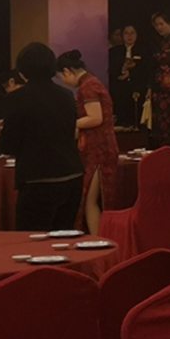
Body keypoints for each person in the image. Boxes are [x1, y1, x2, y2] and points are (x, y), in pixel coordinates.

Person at [0, 43, 87, 231]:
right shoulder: (66, 95)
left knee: (32, 238)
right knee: (64, 236)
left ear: (22, 70)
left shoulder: (17, 98)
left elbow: (9, 145)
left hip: (38, 178)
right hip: (72, 175)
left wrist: (0, 133)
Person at [57, 50, 121, 231]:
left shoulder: (88, 87)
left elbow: (95, 118)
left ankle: (97, 239)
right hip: (101, 146)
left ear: (67, 71)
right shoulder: (92, 82)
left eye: (62, 77)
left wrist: (69, 124)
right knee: (93, 200)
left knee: (90, 200)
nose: (64, 82)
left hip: (98, 149)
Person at [108, 25, 144, 127]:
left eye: (132, 33)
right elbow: (111, 70)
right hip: (120, 89)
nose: (129, 36)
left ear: (137, 35)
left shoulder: (143, 50)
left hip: (137, 88)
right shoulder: (114, 51)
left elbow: (146, 69)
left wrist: (131, 73)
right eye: (126, 33)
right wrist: (121, 72)